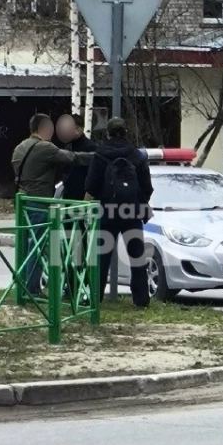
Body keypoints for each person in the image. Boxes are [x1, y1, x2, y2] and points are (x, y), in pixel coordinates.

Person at [12, 113, 94, 298]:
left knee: (24, 246)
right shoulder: (45, 147)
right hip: (39, 202)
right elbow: (73, 158)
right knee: (37, 246)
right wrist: (97, 156)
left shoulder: (19, 147)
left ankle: (21, 286)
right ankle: (32, 289)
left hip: (22, 202)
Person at [84, 117, 154, 308]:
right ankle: (141, 300)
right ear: (126, 132)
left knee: (101, 257)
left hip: (107, 212)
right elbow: (147, 187)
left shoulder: (100, 154)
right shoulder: (137, 155)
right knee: (137, 256)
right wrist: (138, 202)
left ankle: (95, 298)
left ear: (107, 133)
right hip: (132, 212)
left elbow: (91, 185)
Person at [56, 113, 96, 301]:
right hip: (68, 202)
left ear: (78, 129)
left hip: (80, 203)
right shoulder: (68, 147)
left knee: (80, 247)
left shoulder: (89, 148)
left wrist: (86, 201)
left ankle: (81, 286)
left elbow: (91, 178)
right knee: (68, 246)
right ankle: (70, 285)